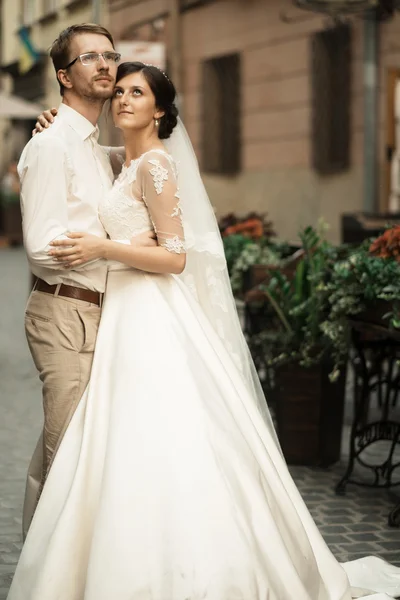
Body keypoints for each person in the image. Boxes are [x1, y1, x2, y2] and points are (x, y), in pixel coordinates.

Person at [8, 61, 400, 600]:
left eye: (137, 93)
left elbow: (175, 258)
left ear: (161, 109)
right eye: (119, 91)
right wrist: (50, 126)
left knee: (160, 430)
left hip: (150, 308)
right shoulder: (124, 160)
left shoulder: (156, 167)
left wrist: (102, 248)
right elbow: (98, 179)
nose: (123, 99)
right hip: (125, 309)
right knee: (116, 434)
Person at [17, 23, 153, 540]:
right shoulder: (54, 146)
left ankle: (60, 566)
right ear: (63, 76)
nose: (104, 64)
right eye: (89, 57)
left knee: (85, 447)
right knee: (67, 449)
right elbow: (43, 247)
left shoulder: (98, 149)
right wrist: (122, 254)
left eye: (110, 55)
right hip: (64, 312)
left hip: (105, 312)